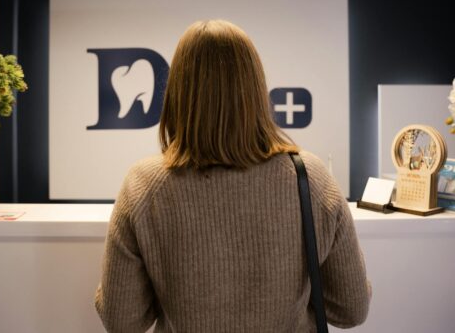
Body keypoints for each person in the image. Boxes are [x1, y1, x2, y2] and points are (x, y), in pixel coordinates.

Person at [95, 20, 371, 332]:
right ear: (255, 89)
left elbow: (121, 320)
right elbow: (351, 308)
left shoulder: (143, 186)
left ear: (177, 93)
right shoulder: (309, 177)